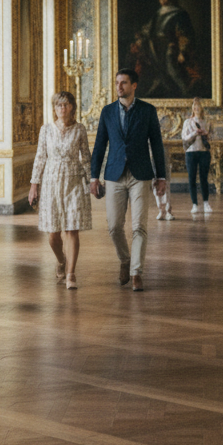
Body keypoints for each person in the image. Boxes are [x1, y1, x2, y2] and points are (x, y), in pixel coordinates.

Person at [88, 68, 168, 292]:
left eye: (123, 83)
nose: (119, 87)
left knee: (139, 227)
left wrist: (161, 176)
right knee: (114, 226)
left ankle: (136, 272)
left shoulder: (148, 111)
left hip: (140, 175)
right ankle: (125, 259)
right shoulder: (107, 112)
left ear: (134, 86)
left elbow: (157, 145)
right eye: (117, 83)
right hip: (114, 174)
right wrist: (94, 177)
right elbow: (99, 146)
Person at [28, 91, 92, 290]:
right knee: (53, 234)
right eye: (58, 105)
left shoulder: (79, 129)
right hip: (51, 181)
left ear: (72, 107)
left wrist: (91, 181)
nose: (62, 109)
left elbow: (86, 157)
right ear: (54, 108)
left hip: (74, 180)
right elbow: (40, 158)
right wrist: (34, 185)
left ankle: (71, 274)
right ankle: (61, 260)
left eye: (65, 105)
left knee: (72, 229)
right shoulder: (46, 130)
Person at [124, 0, 199, 98]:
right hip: (155, 48)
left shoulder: (179, 14)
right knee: (156, 71)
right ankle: (166, 91)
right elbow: (148, 29)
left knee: (172, 69)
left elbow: (185, 35)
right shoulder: (158, 14)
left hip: (170, 47)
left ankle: (185, 92)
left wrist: (182, 52)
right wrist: (139, 36)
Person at [182, 97, 213, 215]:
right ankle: (194, 204)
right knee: (192, 178)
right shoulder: (187, 122)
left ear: (202, 108)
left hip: (204, 151)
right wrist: (195, 133)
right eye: (195, 107)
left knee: (204, 178)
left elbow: (213, 137)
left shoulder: (207, 122)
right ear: (193, 109)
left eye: (199, 106)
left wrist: (206, 134)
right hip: (191, 152)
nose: (197, 108)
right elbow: (184, 137)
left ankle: (206, 203)